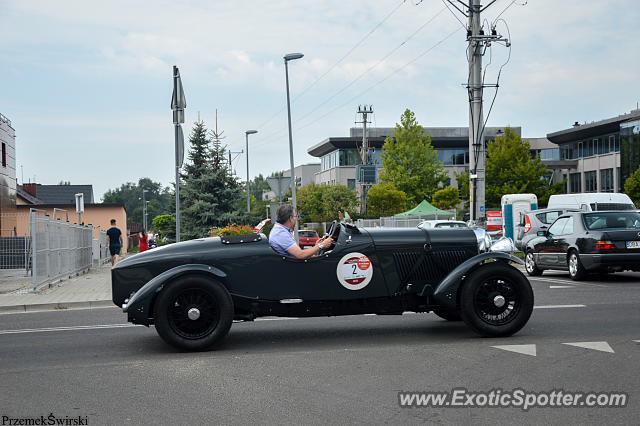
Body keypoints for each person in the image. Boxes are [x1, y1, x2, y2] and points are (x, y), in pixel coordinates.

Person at [269, 204, 333, 259]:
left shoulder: (279, 230)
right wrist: (322, 245)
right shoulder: (280, 233)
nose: (296, 219)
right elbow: (300, 255)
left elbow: (299, 253)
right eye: (296, 216)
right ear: (291, 218)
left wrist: (316, 247)